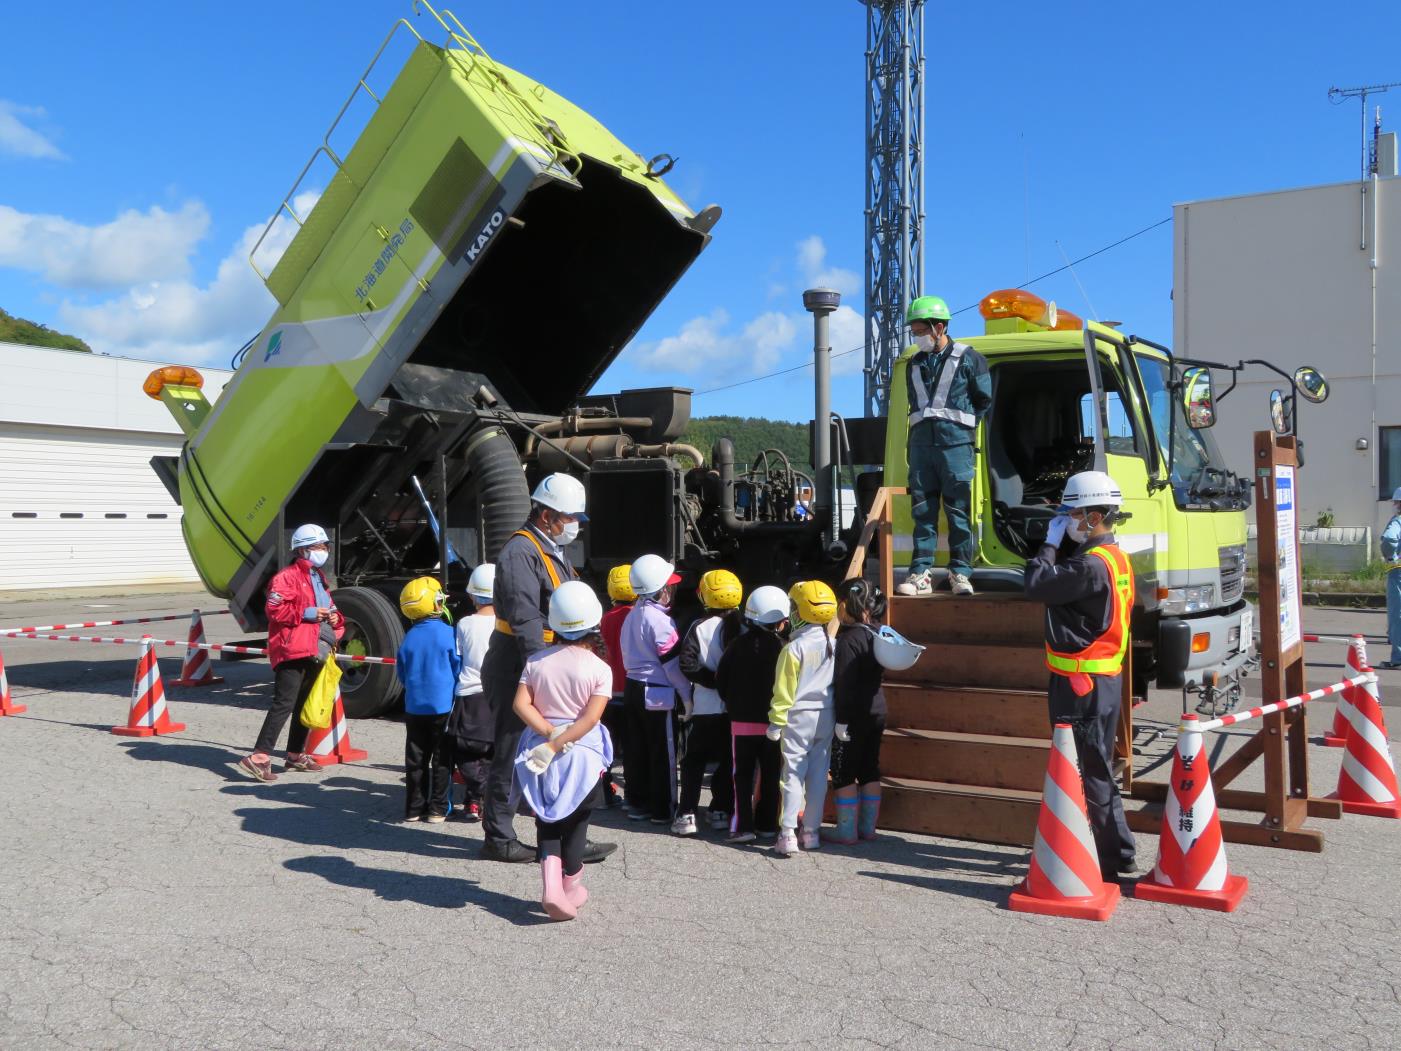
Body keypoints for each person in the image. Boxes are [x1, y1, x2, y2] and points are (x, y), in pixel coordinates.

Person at [479, 473, 615, 864]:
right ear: (546, 515)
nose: (575, 525)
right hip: (520, 661)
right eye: (570, 517)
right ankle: (498, 837)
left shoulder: (549, 547)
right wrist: (547, 671)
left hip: (548, 661)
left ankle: (567, 833)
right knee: (511, 749)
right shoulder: (521, 553)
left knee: (561, 748)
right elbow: (525, 622)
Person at [1023, 470, 1138, 881]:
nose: (1066, 519)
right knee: (1095, 767)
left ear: (1092, 516)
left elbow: (1036, 584)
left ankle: (1116, 856)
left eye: (1070, 513)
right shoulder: (1116, 557)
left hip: (1081, 684)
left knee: (1089, 771)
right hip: (1100, 679)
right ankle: (1106, 848)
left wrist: (1050, 544)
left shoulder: (1088, 566)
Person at [513, 581, 615, 921]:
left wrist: (547, 734)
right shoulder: (600, 669)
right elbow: (591, 718)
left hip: (539, 751)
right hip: (581, 754)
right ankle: (570, 886)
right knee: (577, 822)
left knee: (547, 819)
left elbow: (520, 704)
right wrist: (561, 740)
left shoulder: (536, 661)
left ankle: (552, 888)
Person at [896, 295, 992, 598]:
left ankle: (960, 574)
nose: (918, 337)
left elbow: (984, 401)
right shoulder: (914, 364)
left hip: (956, 447)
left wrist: (962, 430)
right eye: (915, 332)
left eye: (921, 330)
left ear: (939, 327)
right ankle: (920, 573)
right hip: (922, 448)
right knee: (922, 513)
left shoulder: (970, 358)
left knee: (958, 512)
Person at [238, 523, 343, 782]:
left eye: (325, 546)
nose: (325, 550)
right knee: (283, 703)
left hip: (314, 648)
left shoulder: (318, 577)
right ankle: (258, 757)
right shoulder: (286, 577)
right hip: (291, 648)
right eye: (320, 546)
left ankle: (295, 755)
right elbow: (273, 612)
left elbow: (330, 606)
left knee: (303, 703)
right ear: (304, 550)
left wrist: (336, 620)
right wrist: (307, 614)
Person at [767, 581, 838, 857]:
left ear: (800, 612)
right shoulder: (833, 643)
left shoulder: (792, 650)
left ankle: (787, 834)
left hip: (798, 717)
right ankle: (811, 832)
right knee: (819, 775)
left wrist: (776, 722)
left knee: (793, 774)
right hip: (827, 714)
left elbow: (783, 691)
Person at [620, 554, 692, 825]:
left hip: (633, 688)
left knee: (637, 749)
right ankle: (663, 809)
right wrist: (687, 696)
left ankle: (637, 803)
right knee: (663, 752)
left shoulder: (632, 614)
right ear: (661, 590)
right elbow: (673, 667)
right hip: (658, 693)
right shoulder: (661, 621)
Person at [716, 585, 789, 844]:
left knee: (741, 775)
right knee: (771, 775)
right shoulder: (783, 647)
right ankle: (768, 825)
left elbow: (721, 680)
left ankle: (742, 825)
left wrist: (732, 704)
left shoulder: (736, 645)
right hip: (773, 723)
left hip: (741, 721)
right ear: (781, 622)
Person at [675, 569, 744, 835]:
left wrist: (712, 681)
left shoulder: (699, 626)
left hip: (704, 708)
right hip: (733, 708)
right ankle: (720, 811)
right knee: (729, 761)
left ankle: (687, 814)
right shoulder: (745, 625)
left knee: (693, 762)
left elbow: (687, 663)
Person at [827, 579, 889, 845]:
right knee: (870, 769)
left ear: (844, 605)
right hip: (877, 709)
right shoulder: (881, 632)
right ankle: (868, 829)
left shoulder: (848, 639)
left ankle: (846, 831)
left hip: (852, 715)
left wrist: (840, 720)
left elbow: (844, 683)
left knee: (843, 770)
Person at [395, 577, 460, 822]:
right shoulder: (449, 634)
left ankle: (413, 808)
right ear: (435, 604)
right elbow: (458, 668)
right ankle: (438, 809)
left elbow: (402, 672)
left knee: (415, 760)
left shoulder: (408, 637)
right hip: (443, 708)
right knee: (442, 760)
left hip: (414, 708)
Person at [450, 563, 496, 820]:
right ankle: (478, 799)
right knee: (492, 750)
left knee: (465, 750)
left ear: (471, 595)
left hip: (468, 693)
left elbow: (459, 655)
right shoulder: (506, 623)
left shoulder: (464, 623)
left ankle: (478, 795)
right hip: (497, 695)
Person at [597, 564, 635, 808]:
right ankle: (633, 794)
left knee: (605, 748)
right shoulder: (638, 616)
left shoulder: (604, 619)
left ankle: (603, 793)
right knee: (632, 748)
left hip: (607, 695)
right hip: (632, 692)